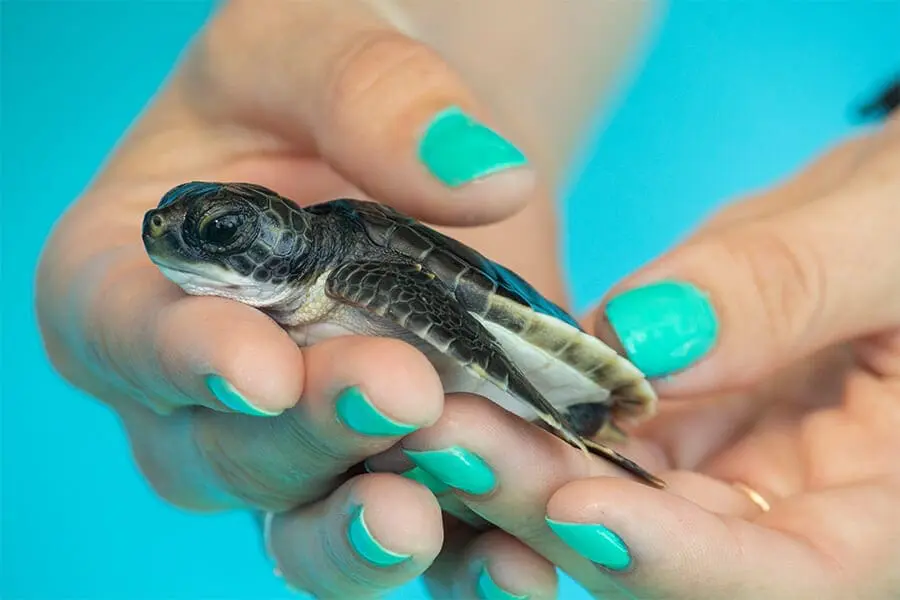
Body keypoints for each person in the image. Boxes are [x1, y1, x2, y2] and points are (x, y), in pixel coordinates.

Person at [35, 2, 900, 599]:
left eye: (218, 228)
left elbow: (464, 325)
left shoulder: (358, 268)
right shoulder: (271, 306)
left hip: (527, 356)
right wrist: (444, 64)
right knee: (342, 440)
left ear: (279, 239)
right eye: (173, 224)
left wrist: (553, 412)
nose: (172, 236)